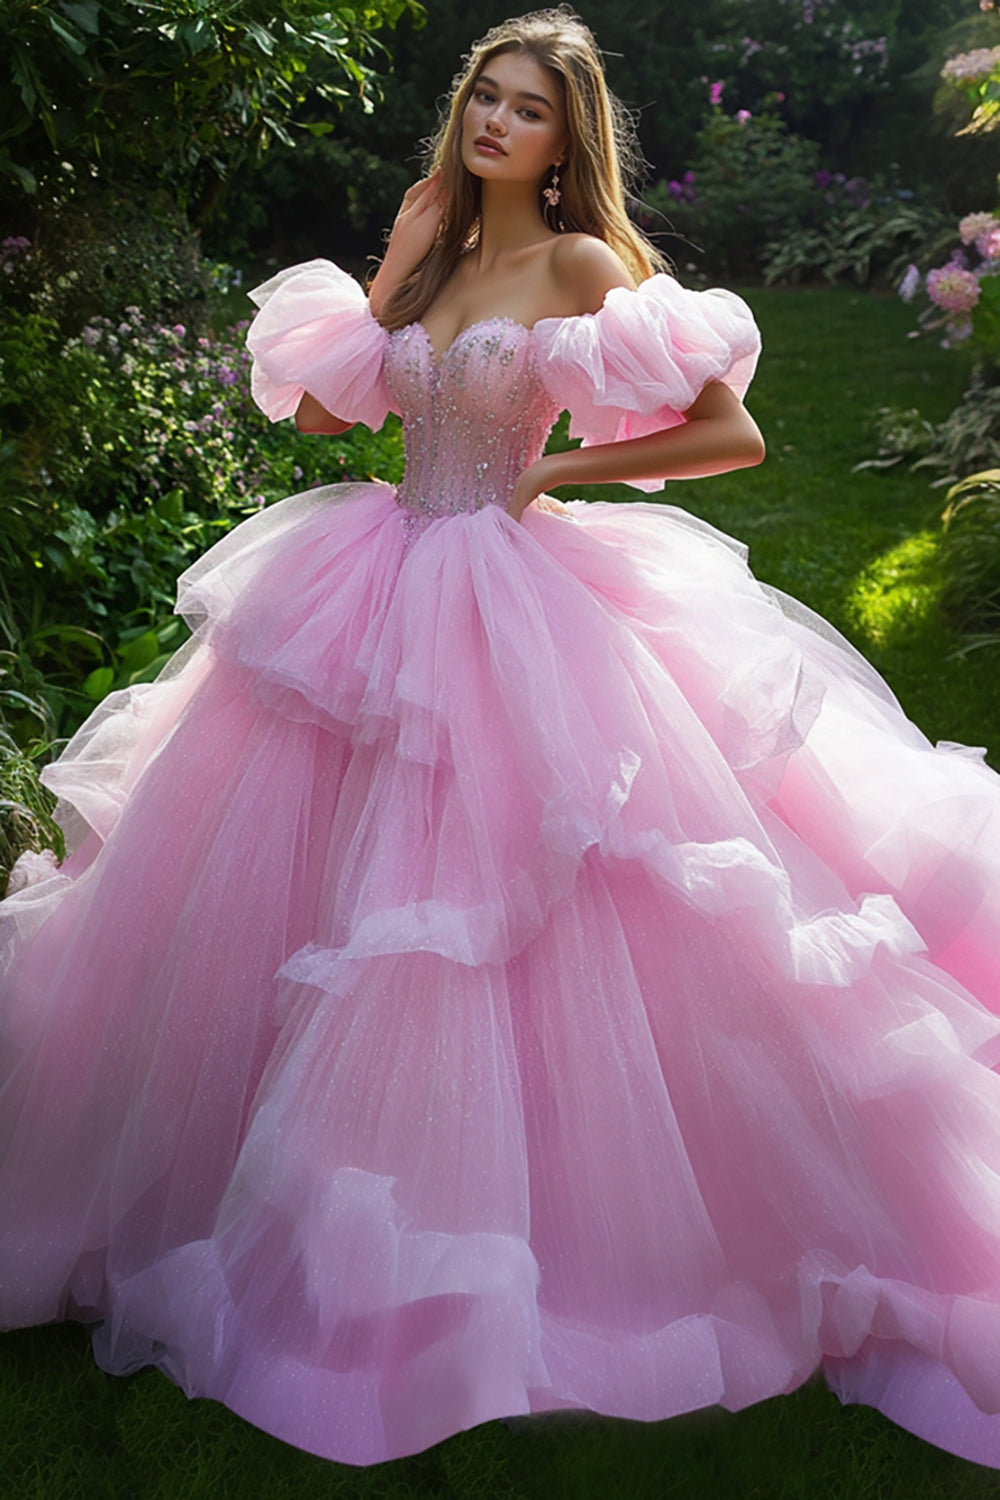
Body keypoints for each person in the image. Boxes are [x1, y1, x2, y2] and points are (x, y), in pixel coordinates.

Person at [3, 3, 1000, 1473]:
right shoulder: (443, 246)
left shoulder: (582, 264)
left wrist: (563, 477)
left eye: (526, 109)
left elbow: (732, 438)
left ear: (564, 140)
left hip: (505, 596)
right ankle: (218, 1171)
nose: (493, 123)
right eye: (484, 97)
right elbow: (338, 430)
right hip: (369, 580)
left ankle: (526, 1215)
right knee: (269, 882)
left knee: (493, 907)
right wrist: (398, 269)